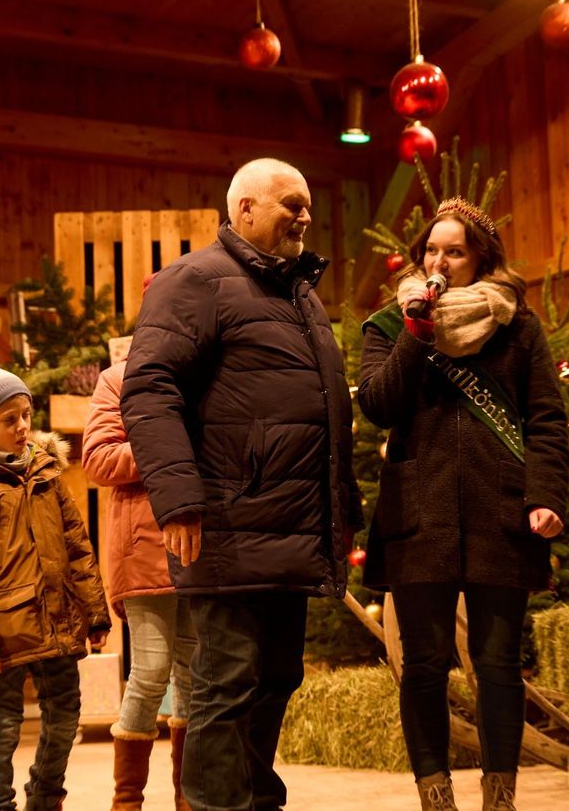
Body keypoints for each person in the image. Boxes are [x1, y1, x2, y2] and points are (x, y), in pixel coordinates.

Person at [120, 157, 362, 811]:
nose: (305, 216)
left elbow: (327, 410)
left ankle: (257, 801)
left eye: (308, 203)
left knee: (277, 677)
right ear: (245, 209)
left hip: (292, 525)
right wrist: (179, 499)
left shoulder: (299, 295)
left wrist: (341, 511)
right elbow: (149, 391)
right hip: (227, 521)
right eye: (291, 203)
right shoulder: (194, 281)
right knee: (225, 681)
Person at [358, 197, 569, 811]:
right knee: (423, 665)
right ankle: (436, 796)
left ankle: (499, 798)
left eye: (456, 251)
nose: (441, 261)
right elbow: (377, 405)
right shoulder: (390, 325)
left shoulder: (517, 326)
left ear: (480, 259)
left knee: (498, 665)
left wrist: (546, 496)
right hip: (418, 515)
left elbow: (548, 421)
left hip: (500, 516)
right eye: (433, 250)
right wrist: (417, 335)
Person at [0, 366, 111, 811]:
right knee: (4, 724)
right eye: (8, 419)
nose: (22, 427)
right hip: (3, 625)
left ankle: (44, 795)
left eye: (25, 415)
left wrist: (95, 612)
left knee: (65, 715)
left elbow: (77, 546)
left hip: (56, 617)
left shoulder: (46, 471)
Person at [82, 338, 195, 811]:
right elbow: (99, 459)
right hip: (145, 545)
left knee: (194, 677)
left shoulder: (203, 374)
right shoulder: (117, 379)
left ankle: (189, 797)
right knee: (149, 673)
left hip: (202, 542)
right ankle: (126, 801)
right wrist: (170, 450)